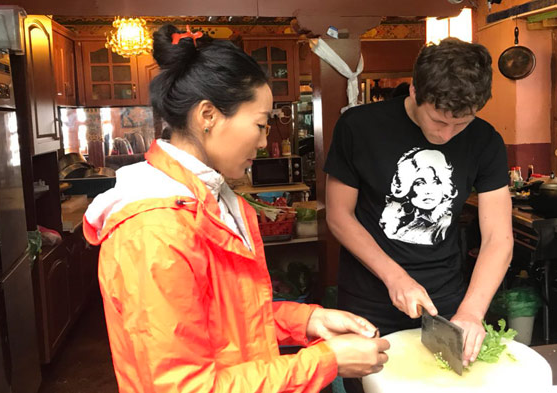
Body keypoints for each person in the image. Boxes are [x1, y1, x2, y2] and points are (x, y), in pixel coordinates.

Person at [83, 25, 389, 393]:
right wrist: (326, 361)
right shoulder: (155, 231)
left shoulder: (214, 198)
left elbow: (229, 319)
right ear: (208, 115)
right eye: (260, 124)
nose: (263, 141)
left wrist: (307, 321)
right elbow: (181, 387)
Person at [324, 37, 513, 392]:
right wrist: (395, 277)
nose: (446, 134)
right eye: (438, 120)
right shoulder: (359, 127)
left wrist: (472, 311)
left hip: (446, 300)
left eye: (461, 124)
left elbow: (498, 238)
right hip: (369, 297)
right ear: (414, 90)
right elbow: (339, 216)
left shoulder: (486, 141)